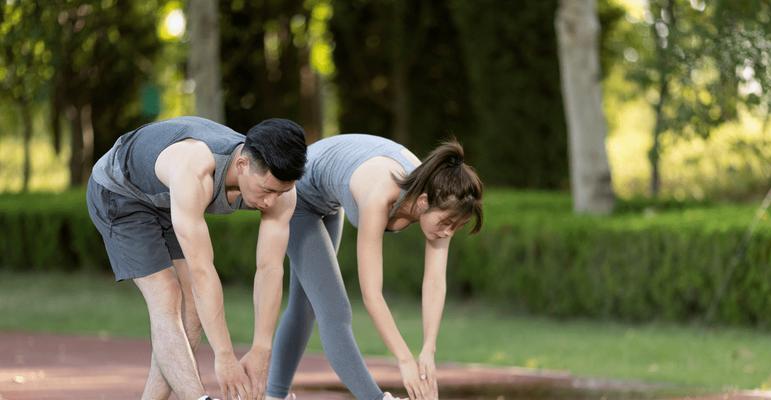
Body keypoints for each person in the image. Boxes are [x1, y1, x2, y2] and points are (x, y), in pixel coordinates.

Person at [86, 116, 307, 400]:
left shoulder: (282, 192)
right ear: (242, 165)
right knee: (166, 294)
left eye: (281, 192)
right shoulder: (194, 171)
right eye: (266, 191)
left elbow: (270, 269)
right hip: (120, 191)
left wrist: (261, 349)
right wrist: (224, 356)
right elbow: (203, 271)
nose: (270, 202)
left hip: (166, 198)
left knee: (193, 306)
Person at [265, 134, 483, 400]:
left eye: (456, 227)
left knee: (305, 304)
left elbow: (435, 281)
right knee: (335, 310)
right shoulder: (380, 195)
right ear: (424, 202)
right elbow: (372, 294)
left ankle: (273, 396)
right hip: (299, 193)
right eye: (446, 222)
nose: (448, 231)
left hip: (330, 196)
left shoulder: (441, 195)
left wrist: (428, 349)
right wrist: (404, 359)